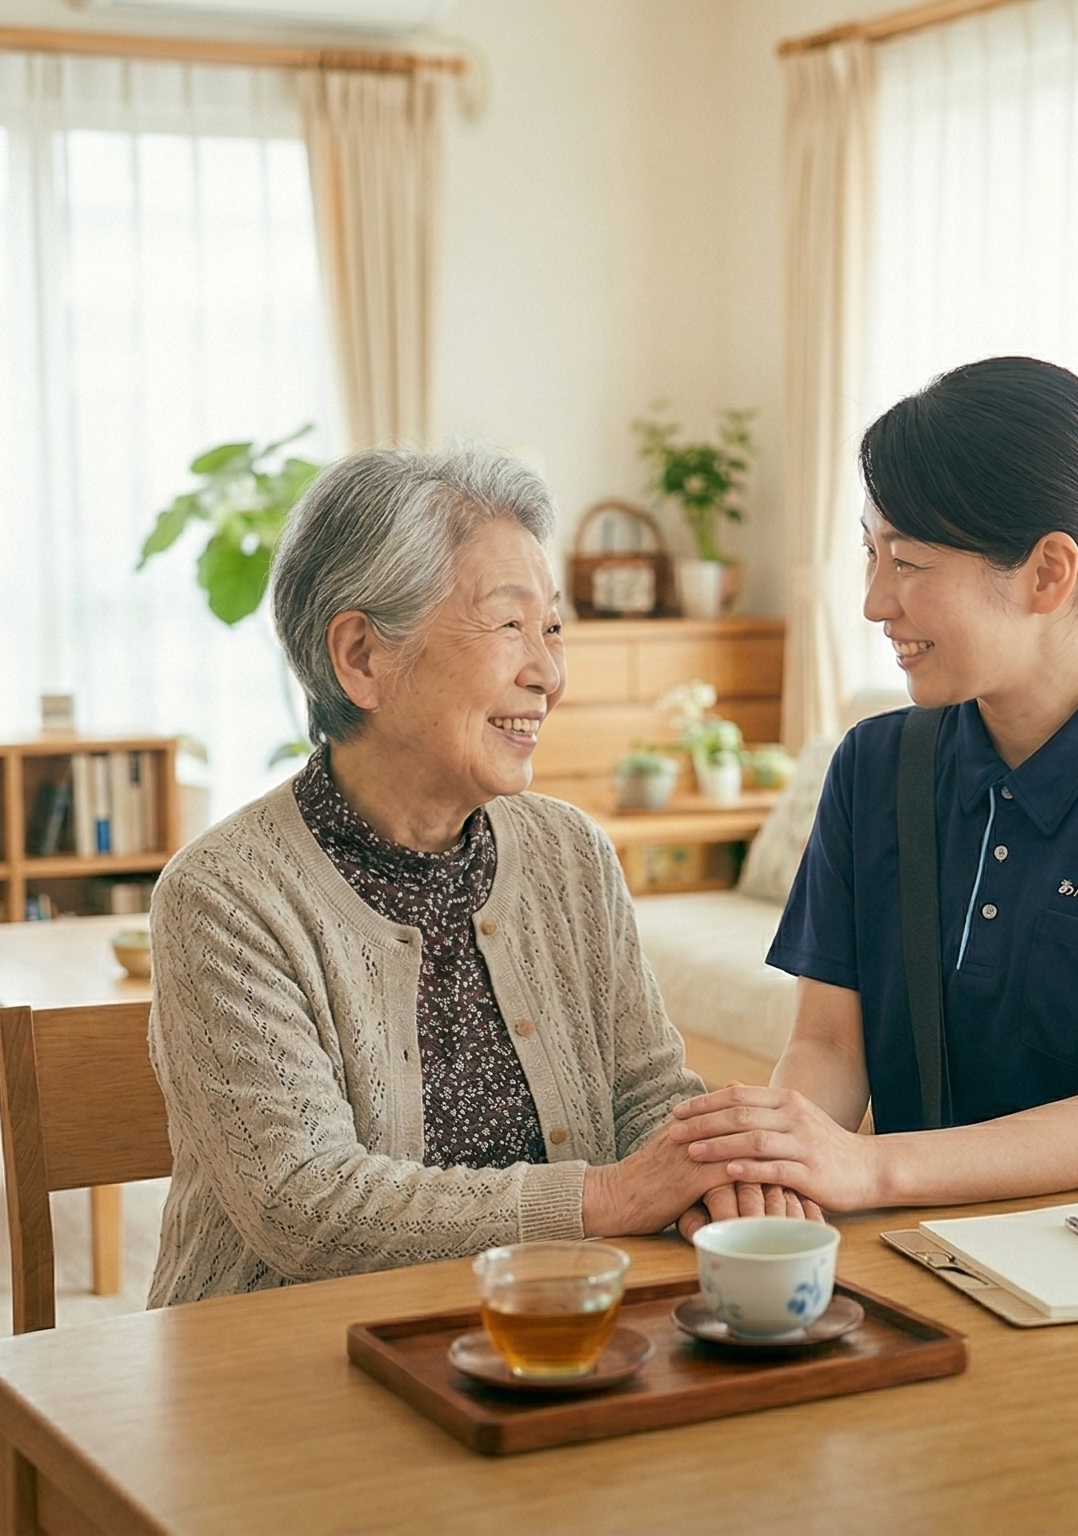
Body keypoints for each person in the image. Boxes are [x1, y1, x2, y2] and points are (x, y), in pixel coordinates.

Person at [146, 444, 758, 1306]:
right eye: (510, 625)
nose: (548, 673)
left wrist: (713, 1172)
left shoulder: (570, 854)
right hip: (287, 1364)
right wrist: (609, 1197)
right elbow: (307, 1206)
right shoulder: (226, 896)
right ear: (362, 657)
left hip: (552, 1334)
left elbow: (648, 1094)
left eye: (552, 628)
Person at [672, 357, 1078, 1222]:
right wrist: (780, 1178)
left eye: (911, 561)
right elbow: (828, 1044)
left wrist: (869, 1170)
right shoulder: (874, 768)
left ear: (1047, 573)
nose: (876, 600)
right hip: (933, 1243)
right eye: (870, 552)